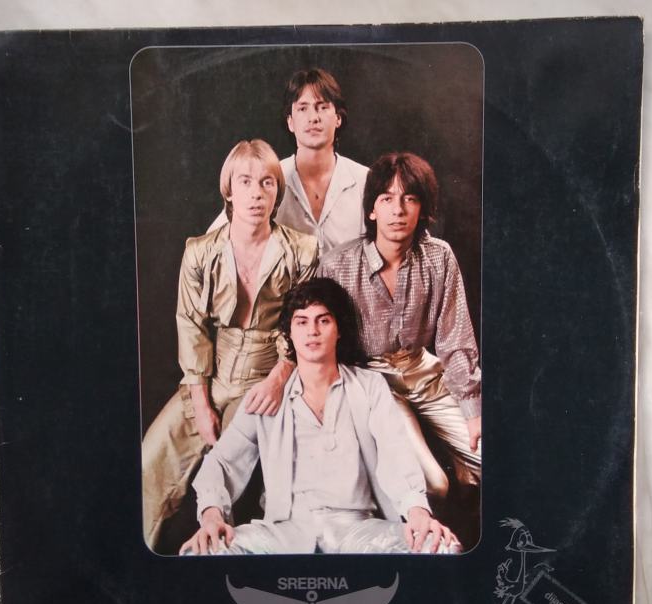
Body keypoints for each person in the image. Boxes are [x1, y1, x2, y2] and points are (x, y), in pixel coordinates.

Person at [179, 278, 461, 556]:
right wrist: (211, 516)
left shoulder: (369, 387)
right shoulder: (267, 396)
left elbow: (395, 453)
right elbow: (221, 461)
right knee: (200, 553)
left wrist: (418, 513)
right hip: (284, 533)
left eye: (323, 321)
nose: (312, 331)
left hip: (358, 530)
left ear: (339, 330)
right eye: (301, 322)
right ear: (289, 333)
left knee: (441, 549)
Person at [142, 139, 318, 553]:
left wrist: (279, 378)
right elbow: (190, 326)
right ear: (229, 190)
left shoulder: (302, 249)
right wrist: (201, 402)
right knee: (150, 464)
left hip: (268, 376)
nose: (256, 193)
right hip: (210, 376)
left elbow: (303, 322)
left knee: (226, 468)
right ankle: (141, 561)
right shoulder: (199, 251)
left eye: (267, 183)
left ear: (277, 192)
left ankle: (221, 557)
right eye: (245, 182)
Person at [318, 152, 481, 536]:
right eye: (387, 198)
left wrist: (473, 409)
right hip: (372, 381)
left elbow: (455, 340)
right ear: (371, 209)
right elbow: (317, 338)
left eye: (410, 198)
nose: (398, 210)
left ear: (423, 209)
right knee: (431, 486)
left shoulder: (438, 257)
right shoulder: (338, 265)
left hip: (424, 370)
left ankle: (466, 470)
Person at [209, 68, 368, 254]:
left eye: (322, 107)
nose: (313, 118)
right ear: (290, 122)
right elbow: (212, 241)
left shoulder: (365, 180)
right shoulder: (268, 179)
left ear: (338, 118)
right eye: (303, 108)